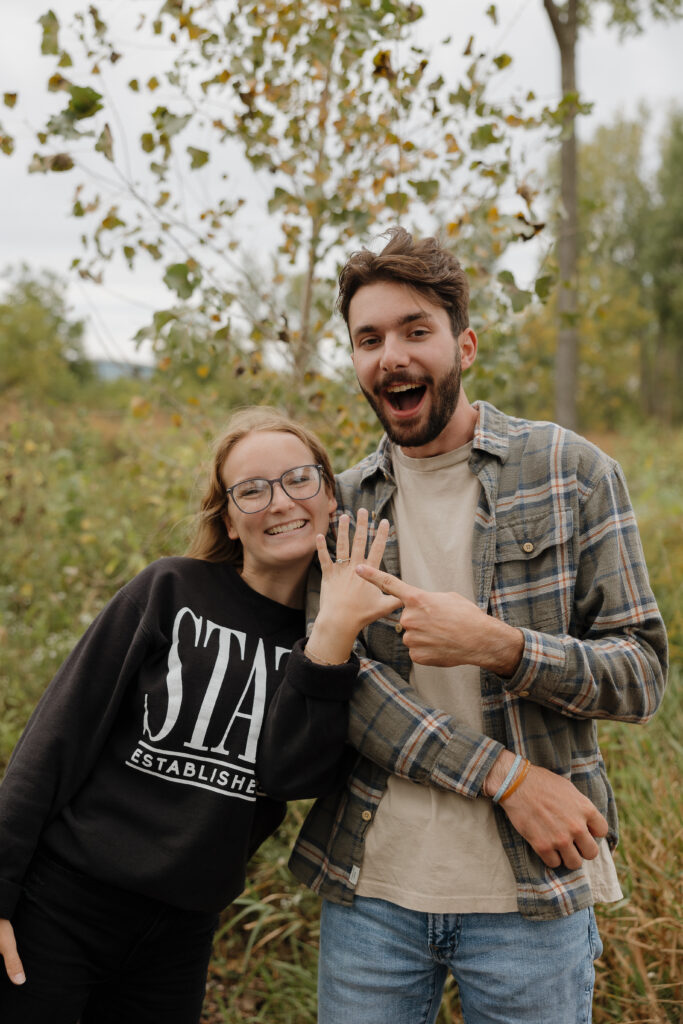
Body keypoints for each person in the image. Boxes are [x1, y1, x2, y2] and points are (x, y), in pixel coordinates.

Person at [260, 229, 668, 1024]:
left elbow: (642, 675)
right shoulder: (341, 506)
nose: (391, 357)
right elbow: (347, 687)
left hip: (532, 899)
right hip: (372, 891)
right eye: (369, 339)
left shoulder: (569, 472)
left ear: (465, 344)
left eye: (416, 330)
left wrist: (501, 647)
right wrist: (506, 778)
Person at [0, 406, 394, 1024]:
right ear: (230, 519)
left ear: (329, 494)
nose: (280, 501)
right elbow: (55, 740)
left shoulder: (337, 638)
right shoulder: (170, 591)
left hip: (180, 934)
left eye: (299, 478)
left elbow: (292, 777)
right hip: (63, 905)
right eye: (252, 490)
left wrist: (333, 635)